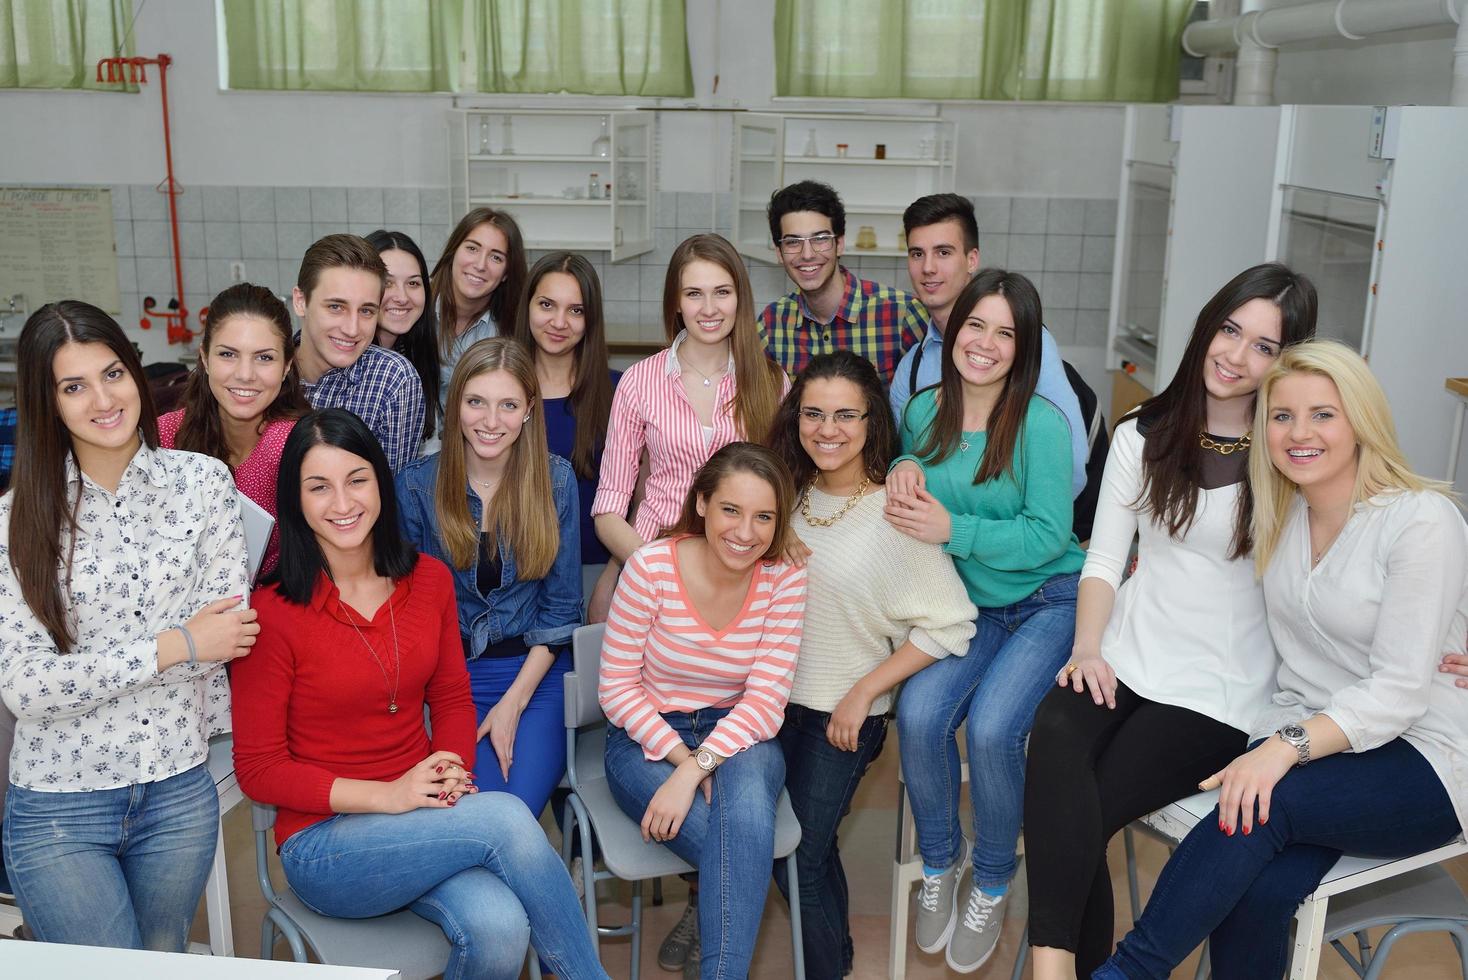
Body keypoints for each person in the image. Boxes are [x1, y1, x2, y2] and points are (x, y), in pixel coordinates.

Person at [1097, 340, 1468, 980]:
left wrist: (1283, 748)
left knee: (1265, 801)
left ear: (1361, 420)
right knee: (1257, 893)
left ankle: (1126, 973)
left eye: (1323, 414)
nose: (1300, 433)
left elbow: (1400, 692)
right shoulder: (1281, 514)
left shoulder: (1420, 520)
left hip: (1426, 752)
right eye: (1282, 416)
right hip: (1323, 743)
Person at [232, 408, 607, 980]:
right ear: (296, 500)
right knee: (506, 819)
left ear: (382, 483)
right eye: (319, 487)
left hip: (421, 818)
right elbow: (259, 770)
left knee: (502, 930)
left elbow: (453, 697)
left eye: (357, 479)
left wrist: (447, 765)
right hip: (325, 843)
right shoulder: (271, 611)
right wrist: (390, 796)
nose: (342, 503)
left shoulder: (427, 579)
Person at [1020, 263, 1318, 980]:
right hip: (1124, 654)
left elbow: (1366, 552)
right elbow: (1103, 563)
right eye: (1230, 330)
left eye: (1263, 347)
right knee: (1053, 741)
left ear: (1287, 363)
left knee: (1083, 813)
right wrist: (1087, 647)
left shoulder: (1290, 456)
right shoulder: (1142, 433)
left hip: (1219, 689)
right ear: (1208, 326)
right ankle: (1057, 969)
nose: (1236, 355)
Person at [0, 301, 257, 951]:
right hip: (62, 805)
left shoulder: (204, 483)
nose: (103, 399)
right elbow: (27, 690)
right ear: (47, 401)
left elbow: (222, 643)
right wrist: (176, 642)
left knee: (164, 955)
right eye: (73, 385)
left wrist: (165, 652)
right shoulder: (13, 522)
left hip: (177, 790)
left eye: (112, 373)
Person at [885, 269, 1084, 973]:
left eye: (1007, 333)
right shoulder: (922, 409)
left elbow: (1045, 535)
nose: (987, 343)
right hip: (967, 608)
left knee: (997, 727)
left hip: (1046, 599)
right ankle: (942, 863)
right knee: (918, 714)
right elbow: (917, 463)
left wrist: (953, 527)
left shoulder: (1043, 424)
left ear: (1025, 347)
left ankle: (994, 877)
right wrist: (905, 466)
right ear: (952, 326)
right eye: (977, 325)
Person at [767, 351, 977, 979]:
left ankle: (827, 970)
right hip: (773, 708)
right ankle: (834, 960)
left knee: (797, 857)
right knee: (805, 847)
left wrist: (865, 692)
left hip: (842, 718)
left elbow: (953, 623)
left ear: (870, 422)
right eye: (813, 414)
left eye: (844, 416)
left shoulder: (893, 513)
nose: (826, 429)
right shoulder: (786, 496)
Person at [600, 442, 807, 980]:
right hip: (645, 734)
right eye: (731, 510)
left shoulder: (784, 576)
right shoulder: (650, 568)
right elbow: (618, 690)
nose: (746, 532)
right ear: (702, 504)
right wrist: (675, 759)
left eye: (765, 517)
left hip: (741, 734)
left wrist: (695, 768)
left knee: (739, 827)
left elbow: (765, 701)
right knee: (741, 844)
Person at [396, 339, 581, 816]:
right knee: (456, 811)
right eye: (476, 401)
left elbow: (560, 611)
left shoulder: (557, 482)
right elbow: (409, 613)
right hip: (448, 681)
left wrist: (513, 705)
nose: (490, 421)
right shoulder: (416, 486)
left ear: (529, 411)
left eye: (508, 405)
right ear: (455, 404)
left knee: (508, 813)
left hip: (533, 677)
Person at [592, 233, 787, 606]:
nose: (709, 308)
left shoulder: (772, 383)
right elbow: (609, 508)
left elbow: (786, 491)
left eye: (722, 292)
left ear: (740, 298)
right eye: (694, 293)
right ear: (676, 302)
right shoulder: (639, 381)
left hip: (743, 570)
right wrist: (654, 569)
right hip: (654, 563)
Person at [889, 193, 1088, 497]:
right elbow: (903, 463)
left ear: (972, 260)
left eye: (943, 252)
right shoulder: (912, 368)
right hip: (932, 537)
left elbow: (1071, 468)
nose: (928, 268)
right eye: (917, 254)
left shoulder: (1029, 344)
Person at [160, 282, 310, 579]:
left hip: (276, 608)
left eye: (264, 357)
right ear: (203, 358)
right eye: (228, 354)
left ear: (286, 366)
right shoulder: (165, 436)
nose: (245, 374)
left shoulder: (299, 445)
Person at [511, 251, 620, 608]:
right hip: (515, 576)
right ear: (526, 306)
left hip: (597, 574)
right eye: (546, 305)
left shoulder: (620, 391)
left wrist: (614, 574)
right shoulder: (500, 390)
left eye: (576, 310)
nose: (559, 322)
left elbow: (641, 497)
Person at [757, 180, 926, 382]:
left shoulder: (902, 314)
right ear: (779, 252)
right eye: (793, 242)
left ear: (840, 244)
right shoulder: (772, 323)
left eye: (820, 239)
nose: (808, 254)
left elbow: (933, 402)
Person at [293, 233, 426, 473]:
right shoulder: (265, 370)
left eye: (366, 311)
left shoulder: (393, 379)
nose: (352, 329)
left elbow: (391, 494)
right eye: (336, 307)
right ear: (301, 301)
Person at [429, 208, 527, 408]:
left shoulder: (513, 328)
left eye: (496, 257)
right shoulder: (417, 307)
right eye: (472, 248)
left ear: (506, 273)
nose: (480, 265)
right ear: (453, 251)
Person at [366, 229, 441, 443]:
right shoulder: (344, 360)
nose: (402, 297)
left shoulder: (416, 354)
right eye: (387, 283)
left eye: (413, 283)